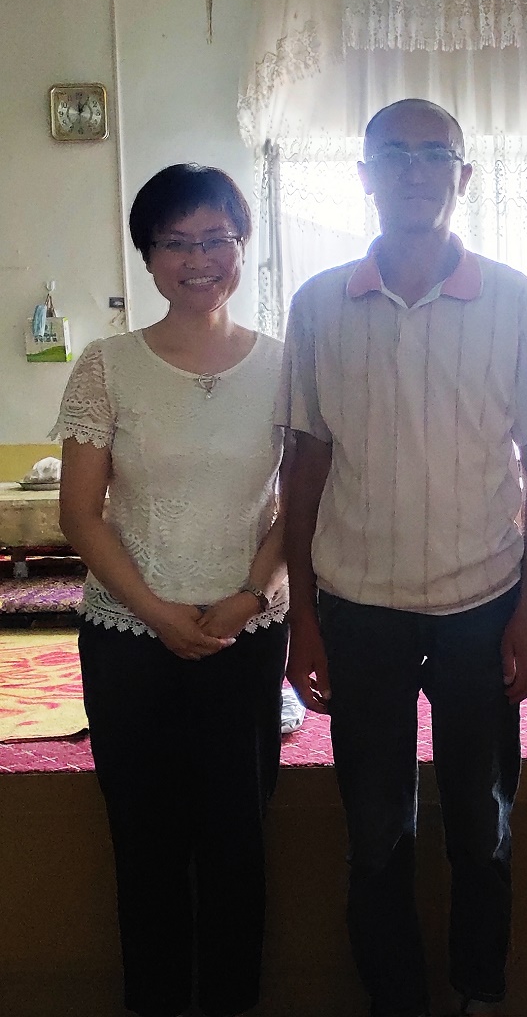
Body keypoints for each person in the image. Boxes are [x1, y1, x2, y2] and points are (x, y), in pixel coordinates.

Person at [276, 98, 527, 1017]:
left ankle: (481, 992)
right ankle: (394, 999)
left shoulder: (512, 298)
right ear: (364, 175)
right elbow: (304, 464)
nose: (413, 171)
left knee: (483, 824)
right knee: (375, 832)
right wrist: (304, 617)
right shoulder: (320, 303)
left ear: (463, 175)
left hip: (483, 601)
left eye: (434, 155)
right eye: (393, 155)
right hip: (360, 607)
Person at [55, 163, 289, 1017]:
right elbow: (80, 514)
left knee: (238, 841)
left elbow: (299, 508)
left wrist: (250, 597)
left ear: (243, 246)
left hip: (245, 635)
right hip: (128, 641)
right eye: (176, 242)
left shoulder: (286, 366)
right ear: (149, 256)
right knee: (145, 844)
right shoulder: (107, 365)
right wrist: (155, 613)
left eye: (216, 238)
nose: (199, 259)